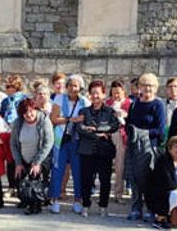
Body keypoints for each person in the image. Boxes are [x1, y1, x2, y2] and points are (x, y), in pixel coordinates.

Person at [126, 72, 167, 222]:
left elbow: (160, 130)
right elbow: (129, 124)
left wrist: (142, 133)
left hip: (151, 147)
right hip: (134, 147)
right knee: (135, 179)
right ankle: (136, 208)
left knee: (149, 180)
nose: (147, 88)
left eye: (150, 85)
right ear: (139, 87)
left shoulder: (158, 105)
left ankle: (150, 209)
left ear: (155, 88)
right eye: (144, 85)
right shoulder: (135, 104)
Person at [77, 80, 120, 217]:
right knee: (86, 180)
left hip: (104, 151)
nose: (95, 96)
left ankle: (103, 205)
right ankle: (85, 205)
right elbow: (80, 127)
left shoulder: (109, 111)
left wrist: (96, 129)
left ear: (103, 94)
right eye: (93, 93)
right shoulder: (83, 111)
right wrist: (98, 133)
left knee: (105, 180)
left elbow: (114, 126)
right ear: (89, 95)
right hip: (87, 150)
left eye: (98, 93)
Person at [49, 74, 90, 214]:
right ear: (66, 87)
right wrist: (71, 119)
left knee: (78, 171)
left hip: (77, 140)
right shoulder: (60, 98)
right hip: (61, 139)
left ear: (81, 88)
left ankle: (77, 200)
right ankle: (54, 200)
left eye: (76, 85)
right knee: (57, 169)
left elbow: (88, 120)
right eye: (71, 85)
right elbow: (53, 119)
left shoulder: (85, 102)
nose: (73, 88)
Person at [10, 97, 54, 214]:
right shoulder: (18, 123)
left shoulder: (44, 120)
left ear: (36, 109)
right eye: (25, 112)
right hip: (24, 157)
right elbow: (13, 144)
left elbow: (48, 143)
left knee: (34, 179)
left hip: (40, 157)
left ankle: (35, 204)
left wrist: (36, 162)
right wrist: (18, 163)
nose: (29, 115)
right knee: (18, 177)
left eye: (31, 111)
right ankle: (25, 199)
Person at [0, 75, 28, 195]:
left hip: (20, 131)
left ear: (16, 87)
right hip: (8, 131)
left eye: (8, 86)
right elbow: (1, 115)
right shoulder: (6, 101)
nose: (6, 89)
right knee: (10, 160)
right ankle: (11, 186)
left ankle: (21, 185)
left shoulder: (24, 100)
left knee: (20, 159)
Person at [105, 79, 132, 202]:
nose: (116, 95)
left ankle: (118, 193)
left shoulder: (129, 103)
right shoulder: (107, 103)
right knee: (105, 165)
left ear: (123, 92)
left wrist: (123, 115)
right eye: (114, 92)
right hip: (107, 134)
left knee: (119, 165)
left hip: (121, 134)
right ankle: (103, 191)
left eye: (119, 92)